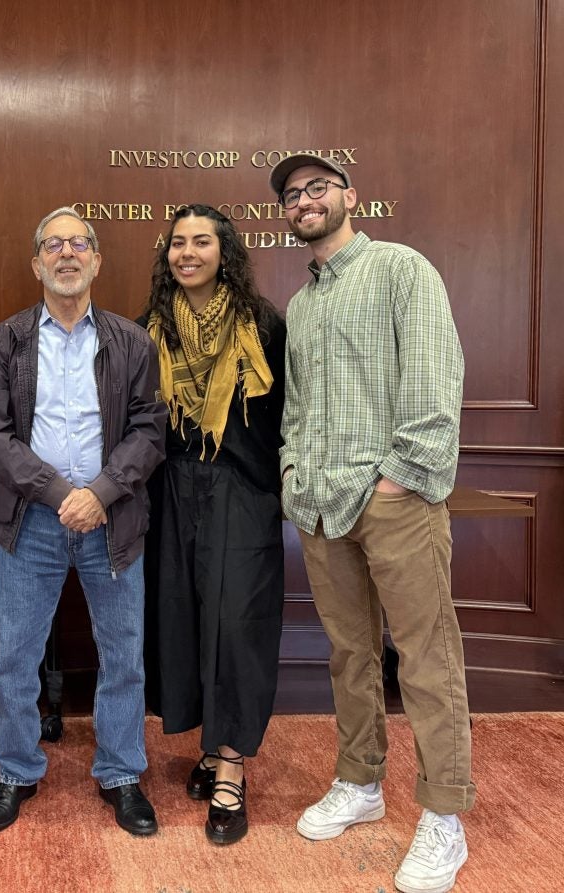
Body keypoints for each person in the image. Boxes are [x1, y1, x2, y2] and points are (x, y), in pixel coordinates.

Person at [271, 153, 472, 893]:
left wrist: (397, 480)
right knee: (349, 656)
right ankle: (360, 780)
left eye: (317, 188)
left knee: (426, 656)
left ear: (350, 196)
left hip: (396, 503)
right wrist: (293, 473)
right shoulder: (305, 305)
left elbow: (432, 380)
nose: (304, 200)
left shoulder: (400, 269)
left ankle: (444, 815)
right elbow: (295, 408)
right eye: (292, 195)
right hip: (322, 508)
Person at [0, 207, 166, 836]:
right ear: (37, 262)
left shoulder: (131, 341)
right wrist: (62, 492)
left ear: (97, 261)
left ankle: (120, 773)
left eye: (79, 243)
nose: (67, 253)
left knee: (124, 655)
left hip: (114, 521)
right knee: (13, 654)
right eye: (53, 244)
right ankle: (17, 772)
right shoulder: (6, 341)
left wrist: (102, 493)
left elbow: (149, 429)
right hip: (31, 520)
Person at [141, 205, 285, 846]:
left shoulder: (264, 326)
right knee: (183, 617)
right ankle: (207, 744)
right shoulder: (149, 330)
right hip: (171, 488)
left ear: (224, 252)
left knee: (234, 624)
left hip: (241, 489)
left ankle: (231, 764)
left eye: (202, 242)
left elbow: (288, 412)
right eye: (178, 243)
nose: (188, 253)